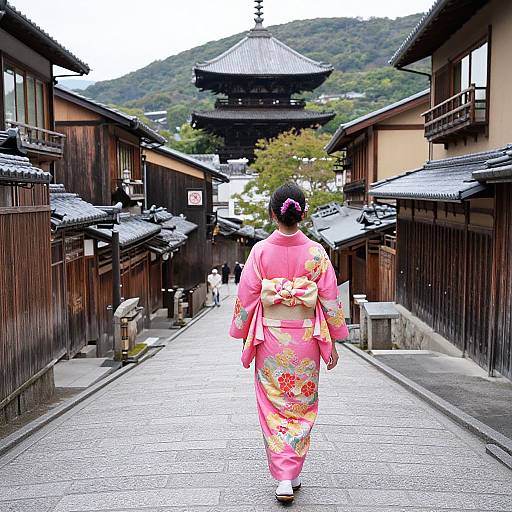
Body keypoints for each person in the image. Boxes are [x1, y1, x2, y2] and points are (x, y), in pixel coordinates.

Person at [230, 182, 348, 503]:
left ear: (272, 214)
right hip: (306, 339)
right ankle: (291, 474)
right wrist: (334, 340)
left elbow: (247, 296)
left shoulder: (259, 252)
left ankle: (283, 476)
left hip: (270, 339)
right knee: (301, 404)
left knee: (272, 405)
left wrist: (242, 333)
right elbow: (330, 299)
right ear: (304, 213)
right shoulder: (316, 252)